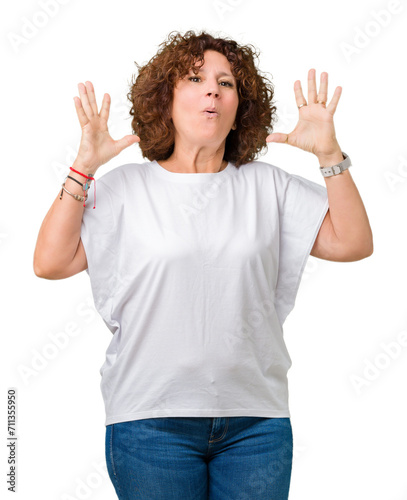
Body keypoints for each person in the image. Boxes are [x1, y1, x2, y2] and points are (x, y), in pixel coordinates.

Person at [33, 29, 373, 500]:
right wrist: (84, 167)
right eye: (195, 78)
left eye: (226, 83)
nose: (213, 89)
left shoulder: (267, 186)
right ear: (165, 101)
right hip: (150, 422)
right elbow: (50, 263)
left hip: (256, 425)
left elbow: (353, 242)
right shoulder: (124, 189)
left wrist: (330, 156)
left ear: (240, 109)